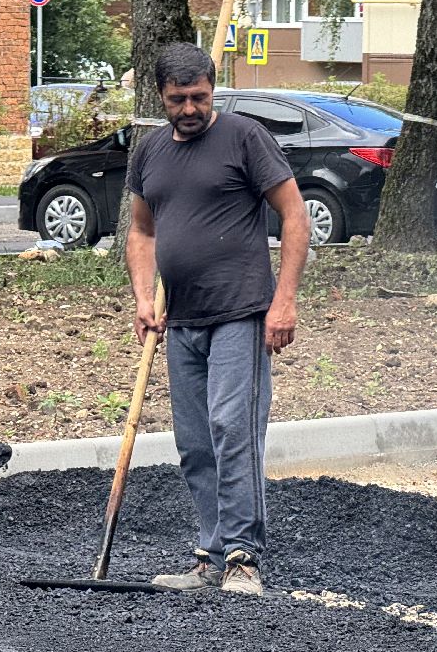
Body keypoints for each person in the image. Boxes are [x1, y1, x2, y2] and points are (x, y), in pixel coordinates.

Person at [125, 43, 310, 597]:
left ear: (213, 88)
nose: (189, 108)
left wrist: (284, 301)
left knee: (234, 429)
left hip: (241, 312)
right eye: (178, 99)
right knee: (195, 440)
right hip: (181, 320)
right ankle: (209, 556)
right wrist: (142, 297)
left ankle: (243, 557)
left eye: (199, 97)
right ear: (161, 96)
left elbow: (295, 217)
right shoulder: (151, 150)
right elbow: (142, 231)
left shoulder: (244, 138)